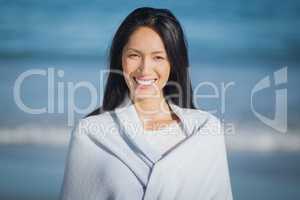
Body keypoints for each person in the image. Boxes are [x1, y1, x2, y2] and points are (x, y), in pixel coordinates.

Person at [60, 7, 233, 200]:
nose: (144, 69)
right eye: (134, 55)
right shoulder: (91, 133)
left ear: (174, 63)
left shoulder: (205, 131)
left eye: (158, 57)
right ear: (120, 59)